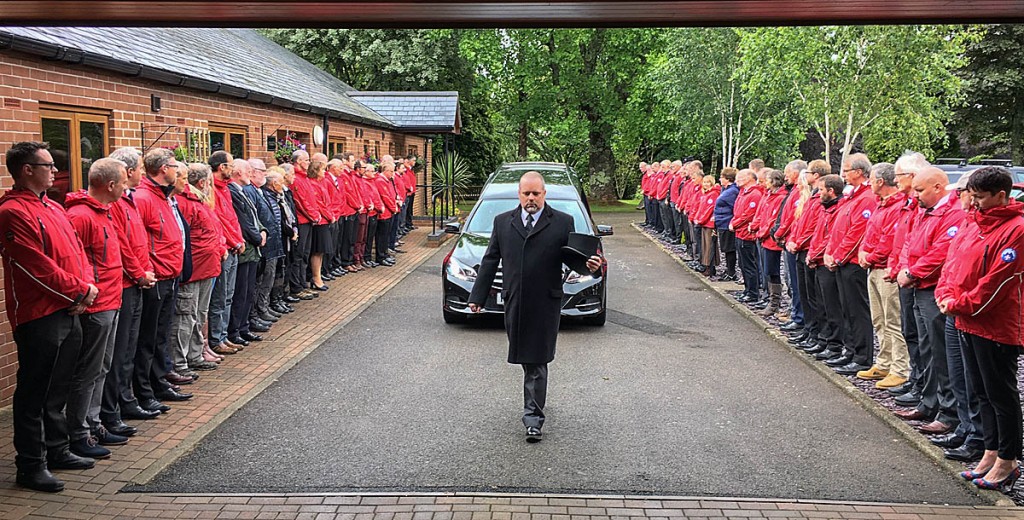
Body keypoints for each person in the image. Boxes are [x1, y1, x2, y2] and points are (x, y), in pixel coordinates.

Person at [467, 171, 603, 443]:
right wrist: (477, 296)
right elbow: (491, 259)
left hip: (545, 302)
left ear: (544, 194)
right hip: (515, 301)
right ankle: (535, 400)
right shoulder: (503, 222)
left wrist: (591, 265)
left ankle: (533, 419)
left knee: (537, 360)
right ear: (519, 194)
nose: (531, 198)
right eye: (526, 193)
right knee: (527, 360)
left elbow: (574, 257)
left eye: (535, 194)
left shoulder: (562, 221)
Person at [2, 141, 98, 492]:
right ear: (27, 169)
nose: (55, 171)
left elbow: (76, 252)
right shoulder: (13, 212)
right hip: (39, 313)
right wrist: (78, 291)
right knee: (34, 392)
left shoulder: (53, 207)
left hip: (69, 306)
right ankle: (30, 463)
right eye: (48, 165)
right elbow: (35, 267)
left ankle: (57, 449)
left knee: (59, 386)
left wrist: (84, 287)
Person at [935, 166, 1024, 492]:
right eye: (971, 198)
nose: (974, 205)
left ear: (1001, 195)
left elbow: (997, 282)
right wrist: (945, 293)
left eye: (981, 198)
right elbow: (952, 263)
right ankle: (990, 452)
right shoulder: (973, 223)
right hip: (966, 319)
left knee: (1001, 394)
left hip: (995, 325)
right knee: (981, 393)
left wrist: (959, 303)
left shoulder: (1017, 230)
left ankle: (1008, 459)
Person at [64, 158, 128, 461]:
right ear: (111, 185)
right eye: (124, 182)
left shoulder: (104, 213)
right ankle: (78, 432)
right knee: (87, 371)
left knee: (101, 368)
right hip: (96, 305)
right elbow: (76, 261)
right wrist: (89, 291)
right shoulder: (81, 216)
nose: (127, 187)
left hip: (111, 300)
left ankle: (93, 423)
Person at [893, 167, 964, 436]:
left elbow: (941, 252)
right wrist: (904, 269)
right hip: (918, 286)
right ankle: (929, 401)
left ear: (937, 187)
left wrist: (912, 272)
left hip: (932, 288)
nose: (916, 195)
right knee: (925, 346)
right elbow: (910, 245)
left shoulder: (951, 213)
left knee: (940, 351)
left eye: (920, 190)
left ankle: (947, 412)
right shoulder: (924, 211)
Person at [132, 148, 190, 415]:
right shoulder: (144, 198)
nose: (178, 171)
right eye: (174, 166)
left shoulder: (164, 197)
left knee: (160, 335)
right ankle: (145, 391)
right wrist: (148, 270)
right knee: (149, 337)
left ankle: (159, 381)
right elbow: (138, 240)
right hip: (155, 277)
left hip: (170, 274)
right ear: (162, 169)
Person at [102, 147, 157, 428]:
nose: (141, 174)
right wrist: (139, 274)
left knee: (129, 348)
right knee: (119, 351)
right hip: (125, 284)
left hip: (136, 281)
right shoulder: (115, 204)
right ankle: (114, 409)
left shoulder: (129, 200)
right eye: (138, 168)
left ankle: (126, 400)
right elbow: (122, 246)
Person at [856, 162, 910, 389]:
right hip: (874, 268)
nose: (868, 183)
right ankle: (884, 361)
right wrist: (863, 252)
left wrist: (871, 255)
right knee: (879, 319)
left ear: (880, 181)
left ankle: (900, 368)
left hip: (886, 269)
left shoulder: (897, 207)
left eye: (871, 179)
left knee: (893, 320)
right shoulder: (882, 205)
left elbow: (890, 239)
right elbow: (871, 234)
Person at [823, 153, 877, 375]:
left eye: (846, 169)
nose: (843, 173)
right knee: (846, 308)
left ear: (858, 171)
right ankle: (851, 350)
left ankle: (862, 356)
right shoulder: (852, 196)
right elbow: (838, 229)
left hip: (852, 263)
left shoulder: (866, 198)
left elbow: (856, 232)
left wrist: (838, 256)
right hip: (841, 260)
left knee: (857, 310)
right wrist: (830, 252)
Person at [172, 163, 224, 377]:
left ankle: (195, 354)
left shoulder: (198, 201)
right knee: (186, 315)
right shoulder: (186, 202)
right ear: (202, 183)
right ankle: (180, 361)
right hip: (194, 268)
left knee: (199, 314)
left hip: (206, 266)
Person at [209, 151, 246, 355]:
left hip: (233, 246)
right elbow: (219, 221)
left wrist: (238, 239)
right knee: (220, 297)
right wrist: (234, 241)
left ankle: (223, 335)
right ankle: (217, 338)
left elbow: (232, 218)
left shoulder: (225, 189)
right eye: (230, 165)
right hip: (225, 249)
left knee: (228, 295)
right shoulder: (213, 190)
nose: (233, 169)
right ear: (221, 167)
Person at [228, 159, 267, 345]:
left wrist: (262, 230)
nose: (250, 174)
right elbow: (243, 222)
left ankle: (243, 327)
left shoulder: (243, 192)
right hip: (246, 250)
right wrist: (258, 237)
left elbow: (254, 217)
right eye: (248, 171)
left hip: (252, 250)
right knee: (240, 293)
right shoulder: (232, 192)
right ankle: (235, 330)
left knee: (248, 291)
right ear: (238, 173)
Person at [730, 168, 764, 303]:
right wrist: (734, 222)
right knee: (743, 264)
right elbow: (738, 212)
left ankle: (753, 292)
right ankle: (747, 290)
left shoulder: (754, 194)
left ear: (749, 178)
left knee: (749, 265)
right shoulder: (744, 193)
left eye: (740, 177)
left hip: (747, 234)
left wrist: (735, 223)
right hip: (740, 233)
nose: (737, 180)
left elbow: (748, 214)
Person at [712, 167, 739, 282]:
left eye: (722, 177)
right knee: (726, 249)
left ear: (727, 179)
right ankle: (728, 269)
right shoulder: (726, 189)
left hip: (727, 222)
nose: (720, 179)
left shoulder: (732, 191)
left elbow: (735, 207)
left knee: (729, 249)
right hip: (722, 221)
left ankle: (731, 272)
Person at [693, 174, 721, 276]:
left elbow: (709, 210)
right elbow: (701, 209)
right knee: (705, 246)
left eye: (707, 182)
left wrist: (700, 220)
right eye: (704, 182)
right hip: (704, 223)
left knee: (709, 246)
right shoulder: (705, 194)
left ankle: (709, 267)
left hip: (709, 224)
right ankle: (706, 265)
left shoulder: (713, 194)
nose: (705, 184)